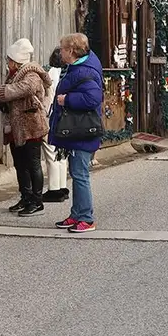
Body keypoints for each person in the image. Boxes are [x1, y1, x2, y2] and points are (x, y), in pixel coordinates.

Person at [49, 33, 103, 233]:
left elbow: (93, 98)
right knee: (77, 173)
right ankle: (77, 214)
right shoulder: (79, 66)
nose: (60, 52)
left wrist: (67, 100)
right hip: (78, 129)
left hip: (82, 130)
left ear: (71, 51)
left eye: (62, 49)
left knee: (80, 175)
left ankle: (86, 218)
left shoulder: (83, 70)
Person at [0, 39, 52, 217]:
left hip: (31, 127)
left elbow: (28, 88)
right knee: (20, 164)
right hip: (16, 127)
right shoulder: (14, 74)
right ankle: (25, 196)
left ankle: (37, 200)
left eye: (9, 60)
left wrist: (3, 92)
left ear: (16, 60)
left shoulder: (31, 73)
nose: (8, 63)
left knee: (33, 164)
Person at [41, 47, 69, 202]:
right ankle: (62, 186)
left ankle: (53, 189)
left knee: (51, 153)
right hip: (64, 117)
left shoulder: (50, 74)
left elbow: (48, 97)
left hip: (51, 115)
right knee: (62, 154)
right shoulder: (67, 74)